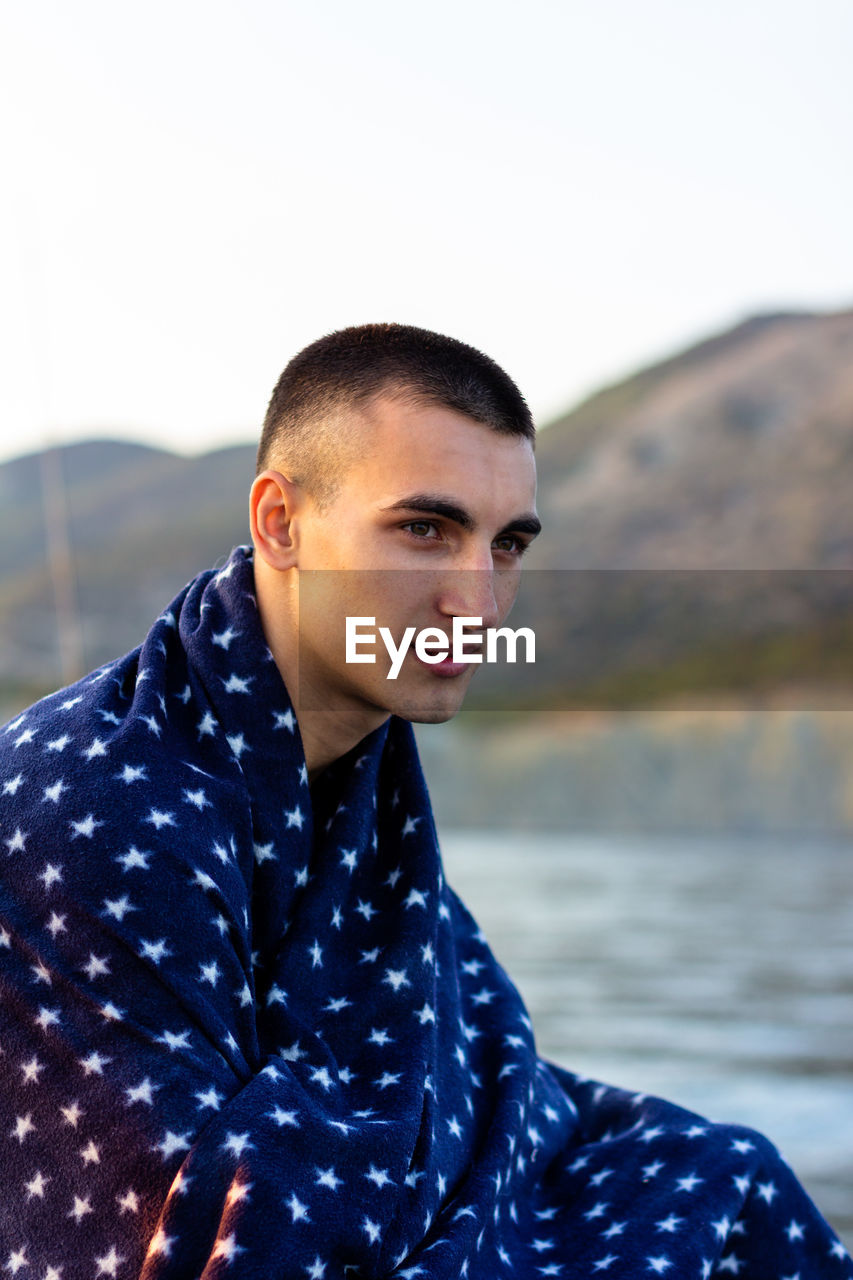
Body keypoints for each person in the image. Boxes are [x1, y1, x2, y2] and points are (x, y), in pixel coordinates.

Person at [0, 324, 847, 1278]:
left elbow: (491, 1096)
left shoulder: (360, 792)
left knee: (722, 1174)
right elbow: (188, 1236)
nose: (478, 604)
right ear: (280, 524)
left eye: (508, 544)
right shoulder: (92, 810)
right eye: (424, 530)